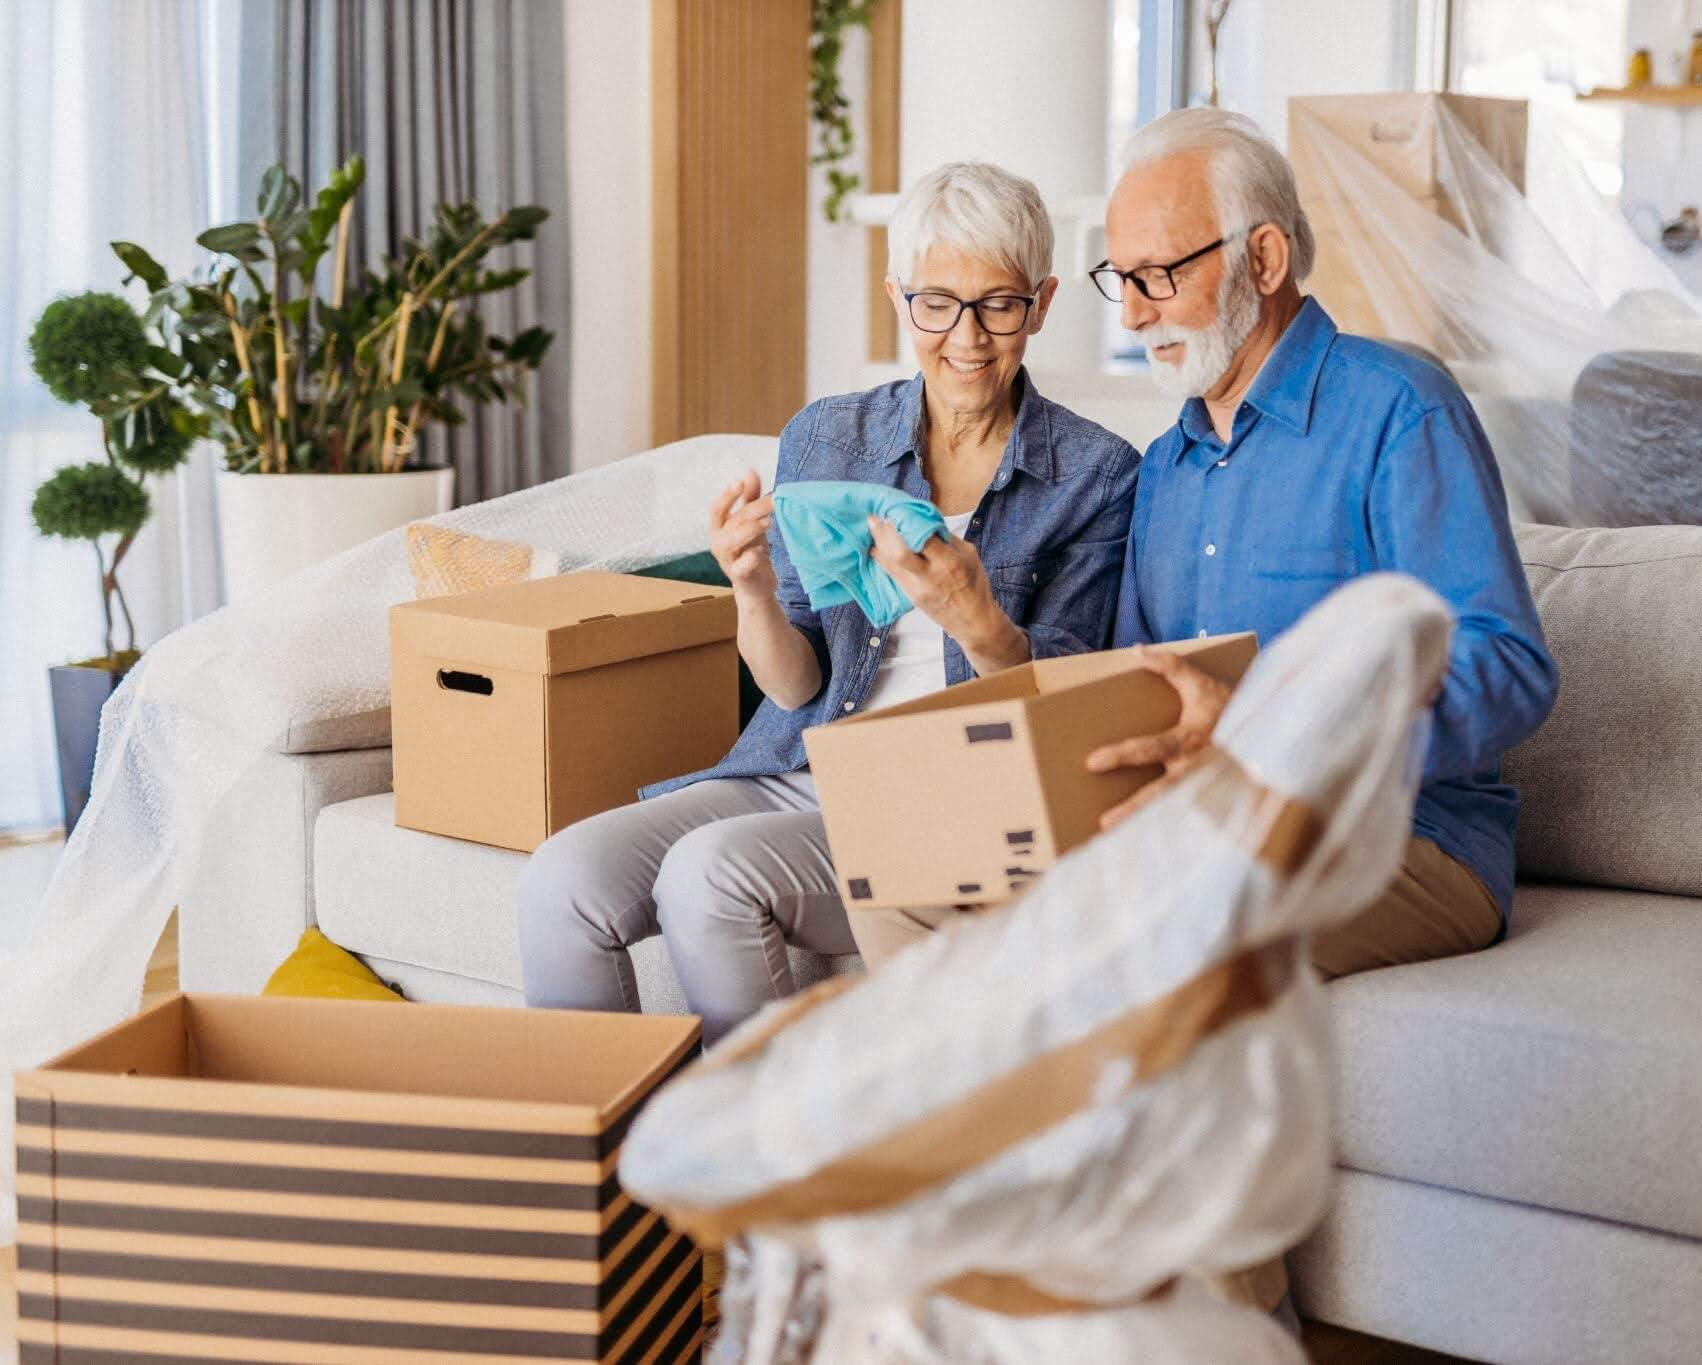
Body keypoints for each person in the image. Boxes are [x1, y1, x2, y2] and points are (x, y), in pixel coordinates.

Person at [517, 162, 1139, 1043]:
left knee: (707, 874)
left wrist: (983, 625)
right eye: (936, 303)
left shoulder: (1096, 473)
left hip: (954, 797)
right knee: (561, 879)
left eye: (997, 304)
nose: (966, 337)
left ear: (1040, 304)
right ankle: (613, 1168)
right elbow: (797, 686)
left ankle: (761, 1170)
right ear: (897, 297)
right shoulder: (829, 436)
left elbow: (1076, 704)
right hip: (800, 769)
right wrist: (753, 592)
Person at [1087, 108, 1557, 986]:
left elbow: (1512, 667)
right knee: (972, 915)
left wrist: (1291, 739)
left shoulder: (1400, 411)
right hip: (1209, 830)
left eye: (1159, 273)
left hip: (1405, 837)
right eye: (1122, 278)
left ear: (1262, 259)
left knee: (1151, 944)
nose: (1137, 312)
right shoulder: (1164, 469)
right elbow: (1139, 688)